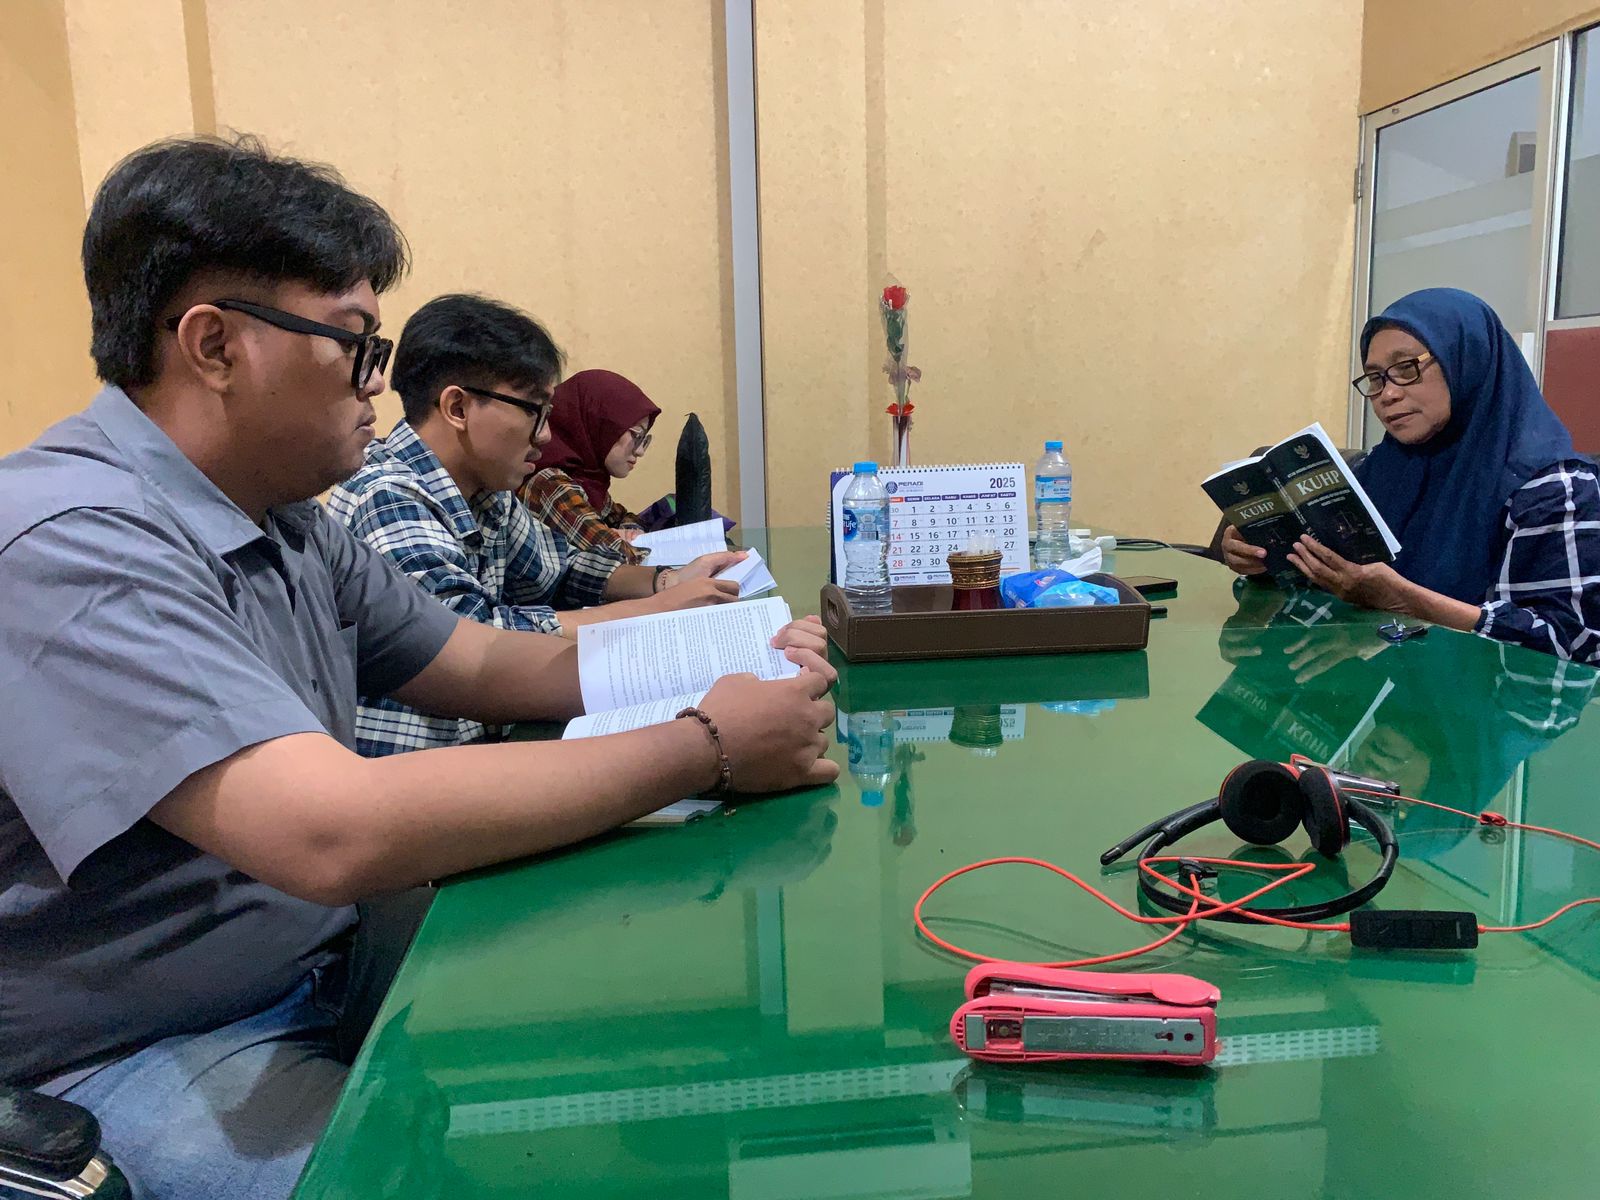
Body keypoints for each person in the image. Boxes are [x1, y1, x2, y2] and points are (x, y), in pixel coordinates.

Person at [0, 135, 837, 1200]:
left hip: (325, 961)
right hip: (140, 1041)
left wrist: (729, 651)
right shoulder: (69, 543)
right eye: (355, 347)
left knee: (640, 1081)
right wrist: (708, 745)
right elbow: (329, 830)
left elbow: (483, 662)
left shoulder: (286, 520)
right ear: (214, 345)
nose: (376, 386)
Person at [327, 295, 808, 756]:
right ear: (458, 408)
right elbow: (473, 642)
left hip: (492, 741)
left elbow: (563, 569)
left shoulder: (488, 492)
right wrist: (657, 609)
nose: (545, 436)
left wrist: (666, 580)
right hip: (420, 767)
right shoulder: (387, 495)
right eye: (534, 411)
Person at [1222, 288, 1600, 664]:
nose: (1387, 394)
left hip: (1478, 696)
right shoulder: (1380, 468)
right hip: (1377, 685)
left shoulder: (1553, 485)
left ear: (1467, 361)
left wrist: (1404, 599)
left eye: (1406, 369)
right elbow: (1333, 586)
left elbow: (1569, 644)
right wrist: (1265, 560)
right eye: (1375, 378)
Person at [519, 368, 662, 563]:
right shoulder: (551, 484)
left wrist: (629, 533)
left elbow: (627, 518)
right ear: (599, 423)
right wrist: (623, 540)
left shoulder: (588, 479)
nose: (640, 451)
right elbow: (624, 559)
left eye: (644, 439)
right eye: (636, 436)